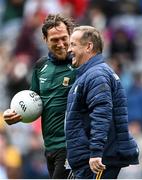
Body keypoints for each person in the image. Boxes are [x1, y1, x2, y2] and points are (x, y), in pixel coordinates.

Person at [3, 13, 76, 179]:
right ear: (45, 39)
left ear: (70, 36)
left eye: (64, 38)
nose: (61, 44)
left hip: (70, 146)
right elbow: (33, 102)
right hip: (49, 147)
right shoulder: (40, 66)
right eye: (54, 40)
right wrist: (15, 114)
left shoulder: (78, 65)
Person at [65, 25, 139, 179]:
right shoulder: (90, 74)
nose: (69, 50)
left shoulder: (96, 75)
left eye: (73, 44)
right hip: (90, 160)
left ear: (88, 47)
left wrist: (96, 152)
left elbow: (102, 114)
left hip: (98, 161)